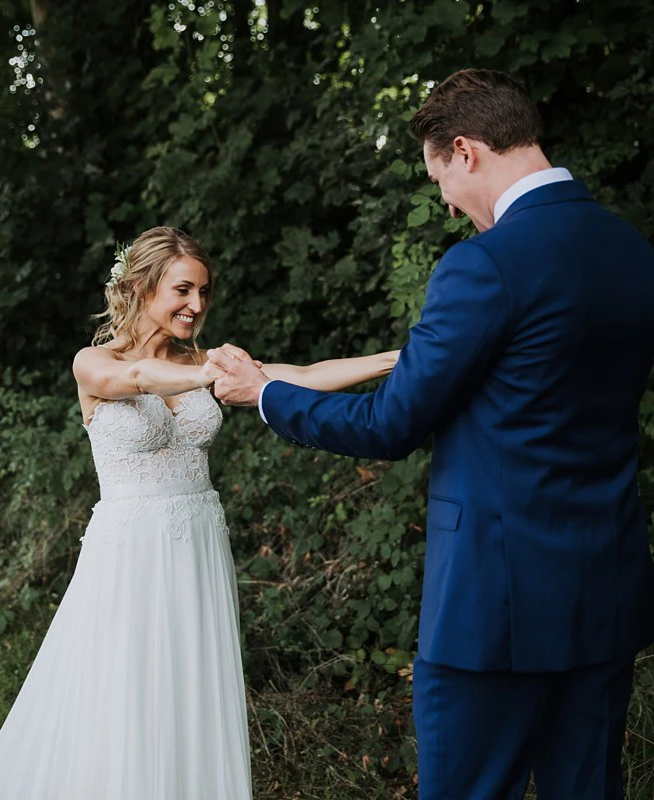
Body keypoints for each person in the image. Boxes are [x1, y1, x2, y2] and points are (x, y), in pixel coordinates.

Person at [207, 70, 654, 800]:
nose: (444, 203)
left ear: (466, 150)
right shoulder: (633, 253)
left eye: (438, 176)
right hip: (604, 591)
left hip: (494, 606)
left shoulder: (485, 264)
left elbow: (390, 424)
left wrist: (267, 394)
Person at [0, 225, 400, 799]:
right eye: (183, 290)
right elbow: (136, 377)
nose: (197, 305)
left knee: (189, 683)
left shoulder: (204, 361)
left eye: (204, 292)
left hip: (197, 544)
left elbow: (308, 375)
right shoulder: (94, 363)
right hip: (129, 553)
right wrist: (209, 375)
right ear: (142, 287)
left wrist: (403, 358)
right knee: (126, 687)